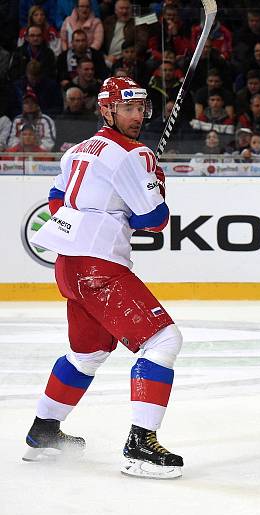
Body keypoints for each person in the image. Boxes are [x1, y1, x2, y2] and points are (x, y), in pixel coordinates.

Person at [24, 76, 184, 479]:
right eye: (127, 109)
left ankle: (44, 431)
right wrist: (156, 188)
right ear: (108, 110)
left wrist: (124, 201)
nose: (136, 116)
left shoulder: (79, 150)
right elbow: (155, 221)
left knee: (88, 354)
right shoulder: (133, 154)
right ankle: (141, 444)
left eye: (140, 108)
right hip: (99, 267)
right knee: (163, 340)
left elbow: (57, 200)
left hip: (69, 266)